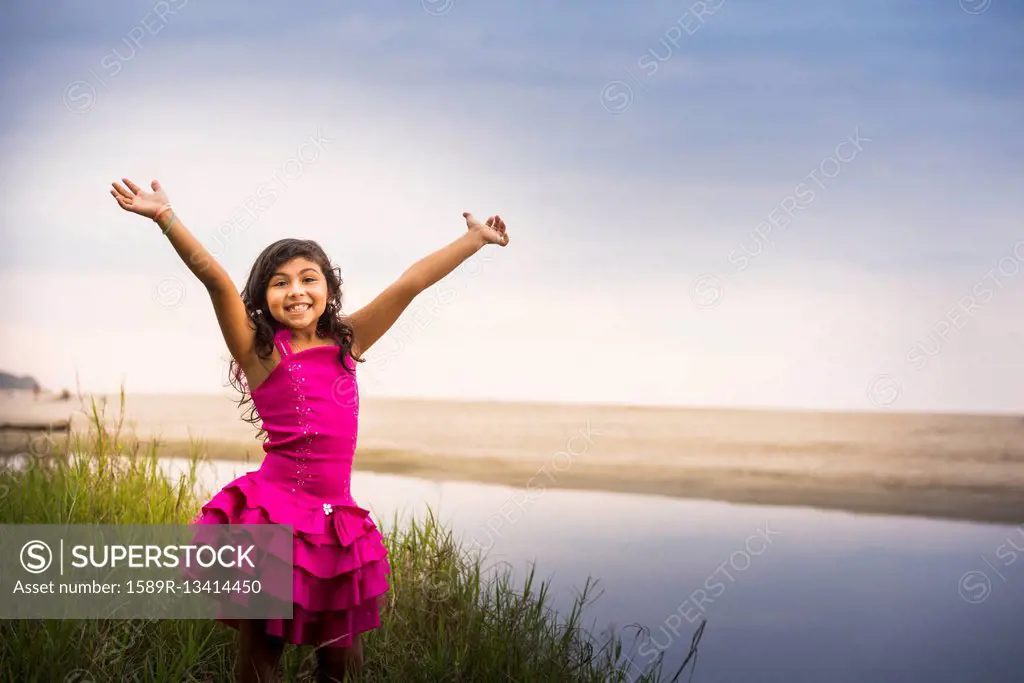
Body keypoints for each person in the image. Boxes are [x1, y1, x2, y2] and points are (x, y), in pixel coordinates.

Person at [110, 177, 509, 683]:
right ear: (262, 298)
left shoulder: (349, 341)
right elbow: (215, 280)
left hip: (335, 522)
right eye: (280, 282)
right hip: (273, 516)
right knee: (262, 655)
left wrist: (473, 240)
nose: (295, 291)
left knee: (343, 659)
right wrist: (167, 218)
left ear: (328, 289)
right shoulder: (260, 352)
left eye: (308, 279)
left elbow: (410, 284)